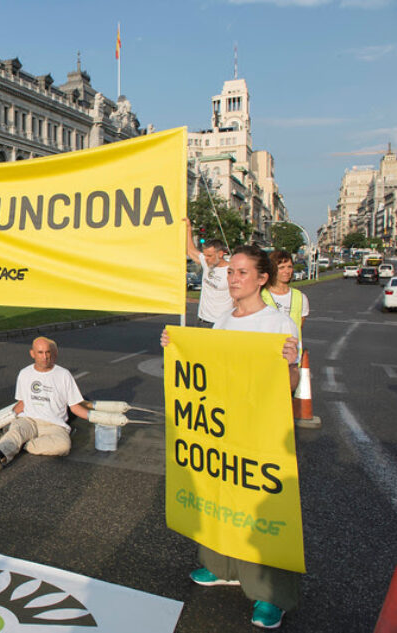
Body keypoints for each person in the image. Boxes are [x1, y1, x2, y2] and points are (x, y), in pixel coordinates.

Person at [161, 244, 301, 630]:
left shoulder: (278, 325)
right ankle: (222, 567)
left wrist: (289, 364)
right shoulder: (223, 320)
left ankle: (271, 594)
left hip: (261, 433)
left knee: (264, 508)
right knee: (218, 493)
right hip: (221, 429)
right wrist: (176, 350)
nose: (233, 279)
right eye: (230, 272)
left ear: (262, 279)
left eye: (242, 273)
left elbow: (290, 385)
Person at [0, 337, 88, 471]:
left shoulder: (64, 375)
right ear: (32, 354)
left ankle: (23, 444)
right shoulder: (25, 374)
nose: (45, 357)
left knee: (64, 446)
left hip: (54, 425)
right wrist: (5, 420)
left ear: (51, 353)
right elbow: (21, 403)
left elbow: (75, 407)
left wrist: (97, 417)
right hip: (29, 420)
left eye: (47, 352)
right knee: (16, 432)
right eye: (40, 352)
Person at [186, 218, 232, 327]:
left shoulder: (231, 271)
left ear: (220, 254)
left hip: (220, 323)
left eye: (209, 256)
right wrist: (188, 229)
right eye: (205, 255)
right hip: (202, 320)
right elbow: (190, 251)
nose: (206, 258)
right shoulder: (208, 263)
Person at [262, 250, 309, 341]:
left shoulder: (300, 297)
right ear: (272, 269)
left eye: (289, 267)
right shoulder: (260, 296)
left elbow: (299, 327)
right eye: (282, 267)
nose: (287, 271)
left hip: (292, 352)